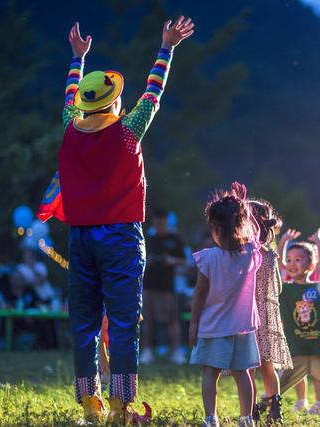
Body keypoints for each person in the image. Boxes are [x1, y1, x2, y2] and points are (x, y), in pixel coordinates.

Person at [47, 18, 194, 424]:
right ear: (113, 105)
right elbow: (153, 93)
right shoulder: (128, 132)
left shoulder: (68, 131)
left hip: (79, 237)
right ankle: (120, 403)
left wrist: (77, 59)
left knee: (84, 322)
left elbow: (68, 98)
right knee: (125, 320)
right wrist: (167, 48)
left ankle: (89, 403)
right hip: (121, 237)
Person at [188, 182, 262, 427]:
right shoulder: (251, 254)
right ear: (242, 224)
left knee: (211, 372)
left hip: (213, 326)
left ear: (216, 228)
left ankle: (211, 418)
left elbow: (199, 294)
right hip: (242, 326)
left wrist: (194, 324)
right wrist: (243, 206)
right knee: (243, 374)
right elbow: (257, 236)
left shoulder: (208, 258)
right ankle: (247, 418)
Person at [278, 233, 320, 414]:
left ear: (310, 266)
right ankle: (269, 404)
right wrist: (283, 242)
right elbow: (279, 264)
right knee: (282, 381)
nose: (292, 264)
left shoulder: (318, 287)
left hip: (318, 344)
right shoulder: (285, 288)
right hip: (295, 345)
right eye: (289, 260)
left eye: (298, 260)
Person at [247, 199, 293, 424]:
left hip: (246, 315)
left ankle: (251, 409)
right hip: (265, 313)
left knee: (249, 367)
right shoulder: (270, 255)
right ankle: (275, 408)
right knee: (267, 365)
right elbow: (278, 287)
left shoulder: (243, 253)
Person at [140, 209, 187, 365]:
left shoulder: (175, 239)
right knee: (147, 318)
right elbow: (140, 259)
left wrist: (170, 261)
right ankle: (147, 352)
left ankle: (176, 352)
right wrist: (150, 260)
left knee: (172, 319)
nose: (159, 224)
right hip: (148, 285)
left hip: (167, 286)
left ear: (167, 221)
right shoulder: (148, 238)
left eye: (162, 221)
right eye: (157, 221)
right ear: (153, 221)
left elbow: (183, 261)